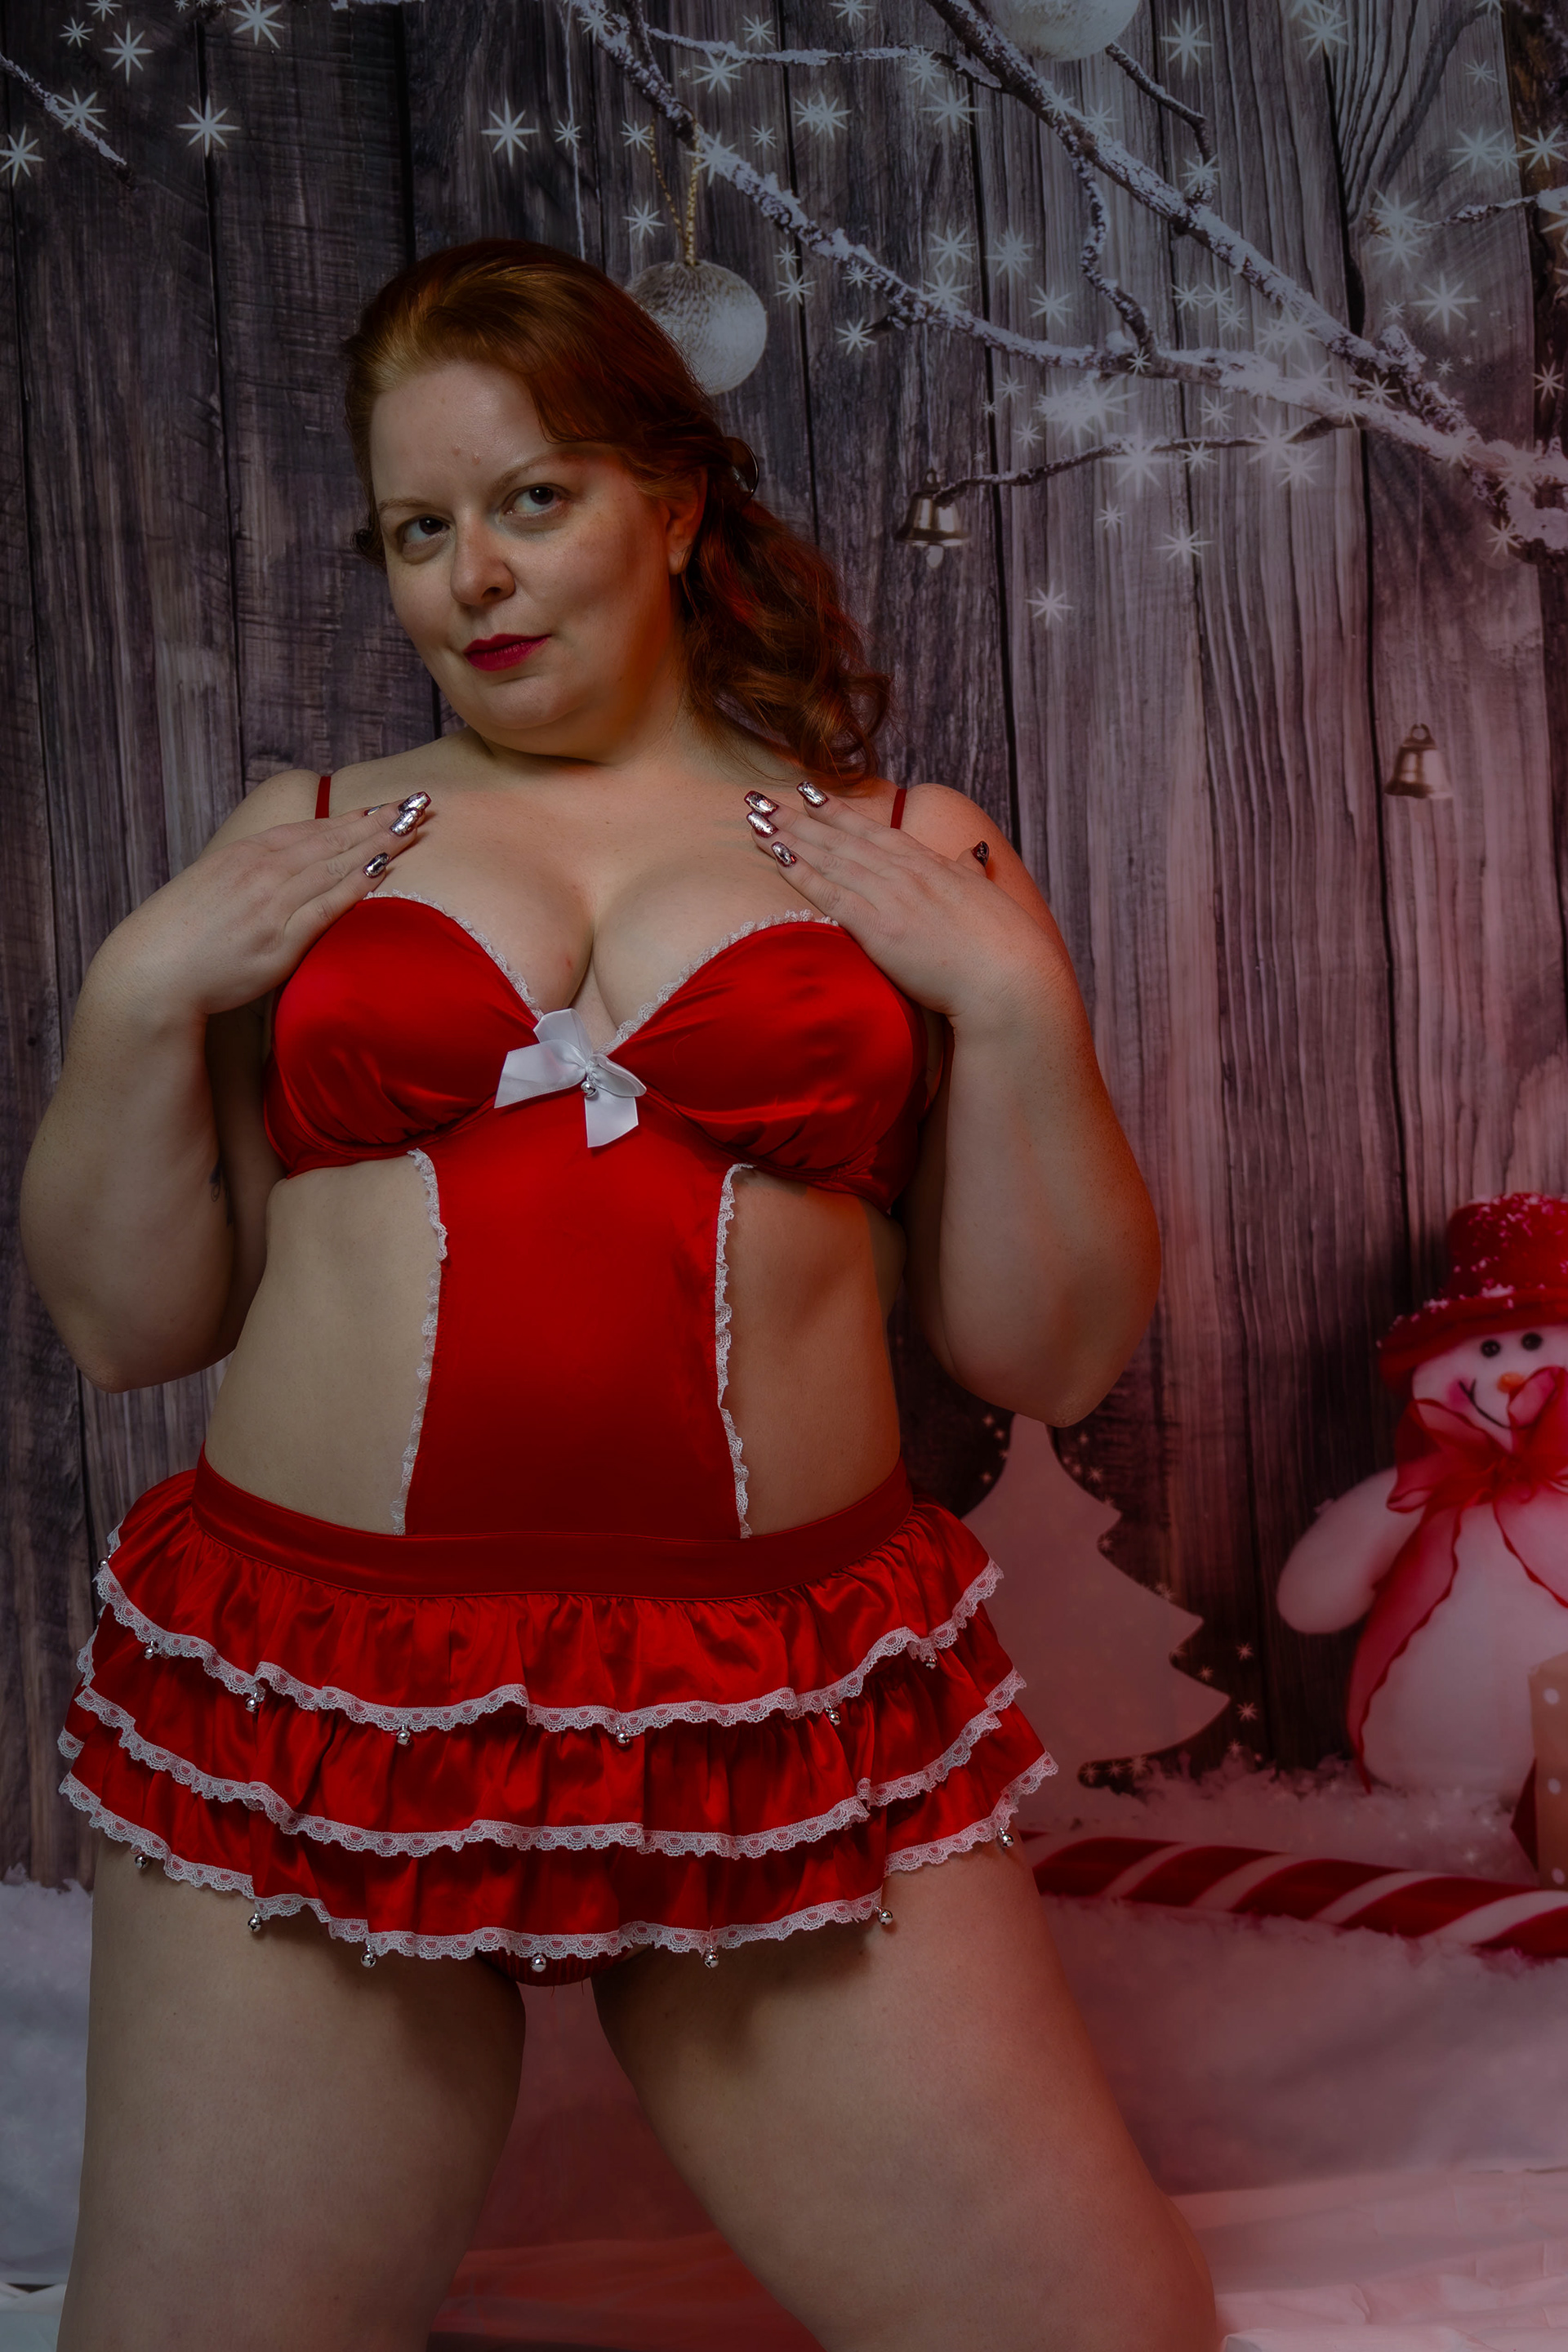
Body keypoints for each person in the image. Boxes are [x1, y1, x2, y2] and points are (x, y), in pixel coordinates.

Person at [22, 240, 1214, 2352]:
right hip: (327, 1703)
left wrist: (1016, 1009)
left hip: (770, 1710)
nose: (472, 575)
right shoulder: (310, 837)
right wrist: (136, 996)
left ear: (669, 506)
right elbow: (132, 1327)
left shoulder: (899, 843)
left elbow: (1048, 1354)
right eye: (417, 529)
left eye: (531, 500)